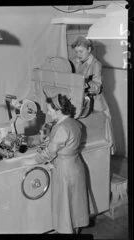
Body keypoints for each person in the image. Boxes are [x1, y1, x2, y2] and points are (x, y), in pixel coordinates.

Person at [32, 94, 89, 234]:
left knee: (64, 205)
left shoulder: (62, 127)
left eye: (50, 109)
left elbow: (50, 152)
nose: (48, 112)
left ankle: (66, 231)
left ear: (58, 110)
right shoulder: (75, 123)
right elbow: (60, 144)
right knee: (75, 205)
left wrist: (34, 160)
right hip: (76, 165)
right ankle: (73, 231)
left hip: (64, 170)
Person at [71, 36, 115, 153]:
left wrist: (84, 83)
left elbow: (97, 87)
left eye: (81, 51)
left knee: (97, 136)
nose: (78, 54)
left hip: (95, 103)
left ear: (89, 49)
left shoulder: (96, 64)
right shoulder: (75, 62)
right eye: (76, 51)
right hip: (80, 101)